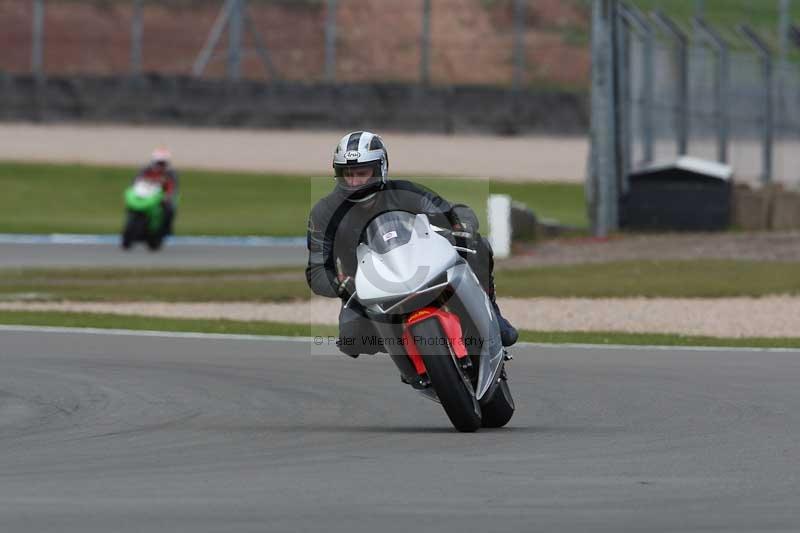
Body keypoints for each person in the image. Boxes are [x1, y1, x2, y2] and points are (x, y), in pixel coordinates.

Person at [305, 131, 518, 358]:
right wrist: (341, 285)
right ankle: (412, 360)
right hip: (367, 286)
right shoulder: (324, 213)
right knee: (351, 339)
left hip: (418, 265)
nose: (355, 182)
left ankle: (492, 313)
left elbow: (453, 212)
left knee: (478, 245)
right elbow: (316, 270)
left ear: (380, 169)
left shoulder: (404, 192)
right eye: (348, 174)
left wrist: (462, 226)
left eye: (362, 173)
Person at [135, 148, 179, 235]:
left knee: (170, 209)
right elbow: (136, 182)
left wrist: (168, 196)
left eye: (163, 163)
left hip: (161, 196)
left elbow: (174, 188)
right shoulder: (145, 170)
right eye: (159, 163)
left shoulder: (171, 173)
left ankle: (167, 230)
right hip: (146, 194)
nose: (160, 165)